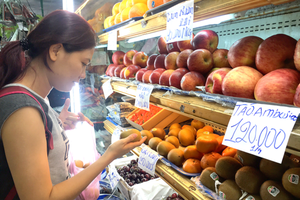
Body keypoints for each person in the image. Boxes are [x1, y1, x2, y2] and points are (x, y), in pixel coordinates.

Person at [0, 10, 146, 200]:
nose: (84, 74)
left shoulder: (34, 99)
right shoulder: (24, 111)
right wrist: (109, 156)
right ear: (55, 51)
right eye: (84, 63)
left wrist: (54, 126)